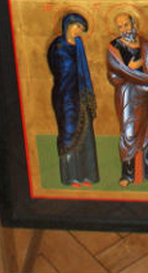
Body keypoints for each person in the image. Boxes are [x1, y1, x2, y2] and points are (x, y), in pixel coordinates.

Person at [106, 12, 148, 185]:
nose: (124, 29)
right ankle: (127, 175)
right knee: (129, 133)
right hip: (128, 94)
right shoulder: (114, 47)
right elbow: (118, 72)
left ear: (133, 23)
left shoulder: (146, 45)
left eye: (126, 25)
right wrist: (134, 70)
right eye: (120, 26)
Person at [47, 12, 99, 186]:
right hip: (65, 96)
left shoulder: (78, 45)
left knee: (85, 133)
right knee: (69, 131)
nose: (79, 31)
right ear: (68, 25)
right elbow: (58, 68)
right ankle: (71, 176)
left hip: (81, 95)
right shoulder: (58, 46)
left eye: (82, 29)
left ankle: (87, 175)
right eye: (77, 27)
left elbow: (81, 70)